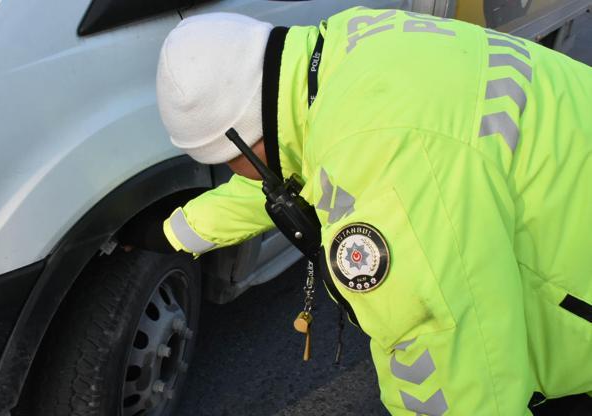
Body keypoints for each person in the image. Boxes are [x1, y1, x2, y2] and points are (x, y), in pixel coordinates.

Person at [152, 7, 592, 415]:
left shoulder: (379, 162)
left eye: (225, 160)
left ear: (240, 135)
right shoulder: (346, 51)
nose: (235, 173)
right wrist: (173, 233)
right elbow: (291, 174)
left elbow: (444, 360)